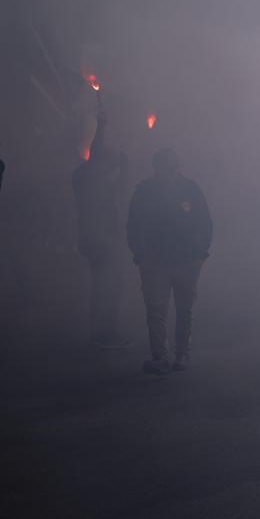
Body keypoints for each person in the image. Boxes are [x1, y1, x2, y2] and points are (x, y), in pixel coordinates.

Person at [127, 148, 212, 375]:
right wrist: (139, 254)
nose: (167, 172)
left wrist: (200, 253)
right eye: (163, 168)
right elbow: (133, 224)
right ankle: (160, 356)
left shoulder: (190, 190)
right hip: (155, 262)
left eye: (170, 168)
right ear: (156, 169)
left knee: (185, 309)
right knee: (156, 310)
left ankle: (181, 353)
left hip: (186, 260)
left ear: (177, 168)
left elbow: (205, 222)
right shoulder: (145, 192)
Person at [71, 112, 132, 349]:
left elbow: (119, 187)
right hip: (98, 239)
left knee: (104, 284)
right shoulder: (87, 178)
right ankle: (104, 332)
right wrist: (102, 127)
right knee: (109, 284)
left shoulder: (90, 180)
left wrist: (123, 169)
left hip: (95, 238)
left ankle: (101, 331)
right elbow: (97, 158)